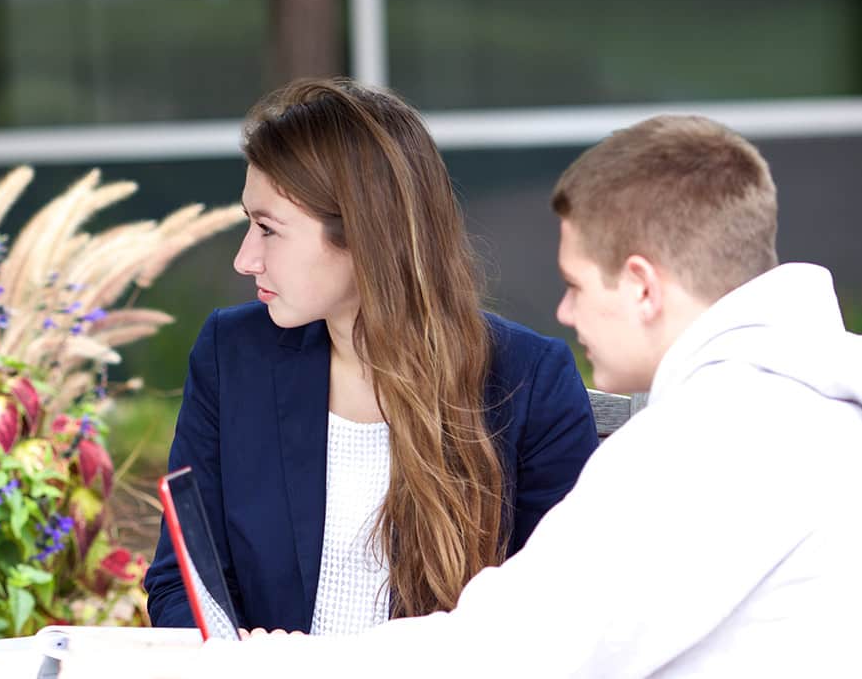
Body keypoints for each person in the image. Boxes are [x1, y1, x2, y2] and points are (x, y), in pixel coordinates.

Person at [84, 116, 862, 677]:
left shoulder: (700, 448)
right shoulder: (813, 417)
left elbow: (511, 650)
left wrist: (279, 663)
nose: (561, 313)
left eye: (572, 285)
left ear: (641, 284)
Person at [143, 78, 600, 635]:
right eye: (248, 223)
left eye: (268, 229)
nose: (245, 259)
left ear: (364, 237)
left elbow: (560, 617)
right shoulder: (233, 356)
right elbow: (178, 580)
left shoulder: (527, 383)